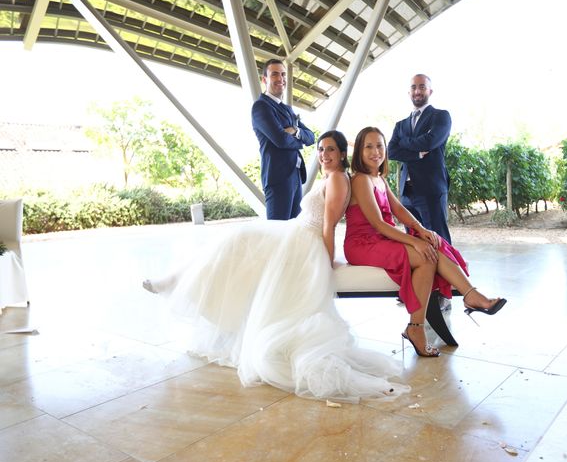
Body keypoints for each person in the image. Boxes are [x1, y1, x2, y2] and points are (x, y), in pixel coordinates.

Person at [142, 130, 409, 403]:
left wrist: (327, 262)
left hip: (303, 241)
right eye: (320, 150)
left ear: (342, 154)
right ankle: (183, 284)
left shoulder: (339, 179)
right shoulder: (332, 177)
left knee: (239, 240)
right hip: (295, 232)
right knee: (238, 250)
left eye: (330, 150)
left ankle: (176, 283)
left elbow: (329, 226)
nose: (324, 155)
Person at [344, 127, 507, 358]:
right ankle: (432, 318)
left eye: (379, 146)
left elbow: (398, 209)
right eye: (368, 146)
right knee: (424, 254)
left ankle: (459, 300)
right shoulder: (360, 180)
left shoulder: (378, 179)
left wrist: (421, 230)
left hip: (379, 238)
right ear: (359, 151)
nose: (375, 152)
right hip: (362, 243)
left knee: (431, 247)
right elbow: (379, 224)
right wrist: (413, 240)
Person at [387, 74, 452, 244]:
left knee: (439, 241)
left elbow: (430, 141)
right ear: (409, 92)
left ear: (430, 90)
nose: (417, 91)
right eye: (414, 87)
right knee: (416, 242)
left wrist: (404, 142)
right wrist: (416, 153)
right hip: (406, 193)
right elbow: (391, 151)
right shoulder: (401, 125)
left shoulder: (441, 116)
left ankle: (451, 270)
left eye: (422, 87)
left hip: (430, 190)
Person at [252, 58, 316, 220]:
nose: (280, 79)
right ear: (264, 79)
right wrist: (297, 139)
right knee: (277, 233)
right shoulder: (261, 107)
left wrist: (295, 131)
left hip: (295, 176)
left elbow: (311, 137)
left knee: (293, 233)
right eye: (275, 74)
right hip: (278, 178)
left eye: (283, 74)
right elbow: (280, 140)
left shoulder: (287, 109)